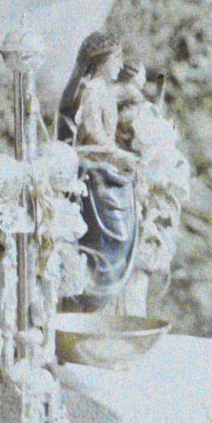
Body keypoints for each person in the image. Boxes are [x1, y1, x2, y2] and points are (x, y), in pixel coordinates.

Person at [57, 31, 142, 309]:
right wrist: (120, 155)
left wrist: (138, 78)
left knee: (119, 238)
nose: (120, 64)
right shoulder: (90, 91)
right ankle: (95, 300)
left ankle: (104, 300)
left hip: (107, 171)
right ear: (101, 60)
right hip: (96, 176)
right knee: (110, 239)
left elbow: (128, 91)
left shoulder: (102, 89)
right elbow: (93, 137)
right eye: (116, 59)